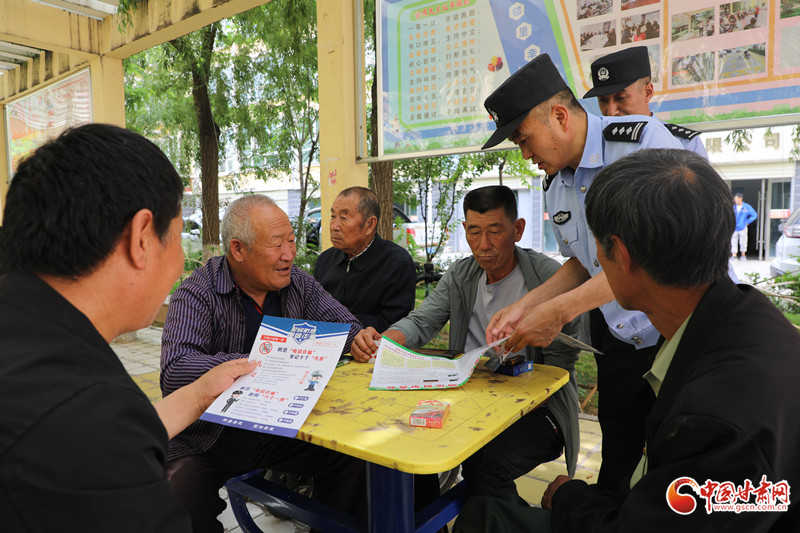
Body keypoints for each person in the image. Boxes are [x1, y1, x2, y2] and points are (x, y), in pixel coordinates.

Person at [454, 148, 800, 532]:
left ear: (619, 254)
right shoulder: (747, 322)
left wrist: (569, 499)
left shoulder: (712, 418)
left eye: (594, 249)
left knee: (482, 520)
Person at [0, 124, 255, 532]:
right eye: (177, 237)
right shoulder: (90, 414)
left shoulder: (27, 339)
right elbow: (97, 437)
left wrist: (198, 395)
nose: (180, 262)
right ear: (141, 238)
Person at [482, 54, 684, 492]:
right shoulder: (557, 184)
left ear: (559, 116)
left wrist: (558, 312)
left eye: (524, 139)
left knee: (678, 470)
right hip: (618, 338)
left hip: (676, 338)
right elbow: (583, 262)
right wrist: (524, 307)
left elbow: (644, 261)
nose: (525, 154)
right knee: (619, 462)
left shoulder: (641, 146)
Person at [351, 185, 582, 503]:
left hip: (537, 409)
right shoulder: (461, 274)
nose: (483, 245)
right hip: (468, 397)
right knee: (409, 442)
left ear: (517, 229)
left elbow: (560, 367)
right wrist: (383, 343)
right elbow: (421, 321)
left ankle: (507, 521)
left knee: (485, 463)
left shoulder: (549, 278)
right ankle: (428, 520)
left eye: (495, 231)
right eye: (474, 232)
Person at [161, 194, 366, 533]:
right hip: (213, 437)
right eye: (276, 244)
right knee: (175, 495)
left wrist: (359, 338)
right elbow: (176, 371)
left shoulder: (296, 283)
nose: (289, 254)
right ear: (238, 249)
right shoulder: (197, 293)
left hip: (283, 426)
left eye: (291, 240)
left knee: (358, 457)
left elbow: (344, 327)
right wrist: (255, 362)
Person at [314, 186, 415, 331]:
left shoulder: (396, 263)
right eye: (333, 216)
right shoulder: (326, 260)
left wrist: (337, 323)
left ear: (370, 224)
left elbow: (393, 326)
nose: (334, 226)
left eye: (344, 218)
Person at [583, 46, 708, 157]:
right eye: (603, 101)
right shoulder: (594, 146)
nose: (611, 111)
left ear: (648, 92)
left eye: (620, 98)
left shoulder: (685, 144)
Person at [732, 192, 758, 261]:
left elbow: (754, 215)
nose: (735, 200)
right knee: (733, 241)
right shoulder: (733, 207)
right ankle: (734, 255)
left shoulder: (746, 206)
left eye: (736, 198)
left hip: (743, 227)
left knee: (743, 241)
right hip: (734, 227)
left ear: (740, 198)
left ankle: (743, 255)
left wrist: (748, 222)